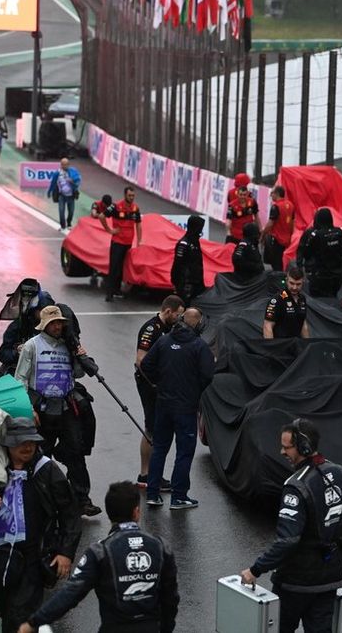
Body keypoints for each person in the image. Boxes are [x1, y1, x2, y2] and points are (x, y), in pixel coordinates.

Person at [0, 416, 81, 633]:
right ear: (7, 444)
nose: (28, 446)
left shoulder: (46, 470)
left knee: (20, 615)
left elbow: (69, 512)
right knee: (8, 612)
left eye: (32, 441)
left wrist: (65, 552)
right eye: (21, 442)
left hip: (33, 556)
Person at [17, 482, 180, 633]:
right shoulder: (160, 547)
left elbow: (70, 594)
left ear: (109, 515)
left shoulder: (100, 552)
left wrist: (33, 622)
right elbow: (171, 598)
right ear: (136, 512)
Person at [239, 419, 342, 633]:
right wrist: (336, 559)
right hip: (330, 578)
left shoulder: (296, 486)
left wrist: (256, 570)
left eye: (286, 447)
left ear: (304, 447)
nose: (281, 452)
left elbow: (287, 540)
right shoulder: (340, 473)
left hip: (296, 582)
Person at [14, 305, 101, 517]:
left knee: (76, 453)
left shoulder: (68, 346)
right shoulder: (31, 346)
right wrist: (28, 409)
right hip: (41, 410)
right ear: (45, 325)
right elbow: (21, 379)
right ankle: (36, 499)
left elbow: (79, 374)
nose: (57, 326)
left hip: (65, 407)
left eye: (60, 323)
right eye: (53, 323)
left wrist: (81, 355)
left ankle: (82, 499)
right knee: (37, 455)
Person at [140, 308, 214, 510]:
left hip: (163, 404)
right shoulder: (199, 346)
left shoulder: (164, 341)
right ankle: (179, 496)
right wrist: (194, 389)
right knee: (184, 452)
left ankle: (153, 493)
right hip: (185, 407)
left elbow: (145, 365)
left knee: (160, 448)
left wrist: (160, 384)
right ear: (197, 325)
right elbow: (208, 375)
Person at [135, 296, 185, 492]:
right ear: (168, 311)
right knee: (152, 428)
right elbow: (141, 359)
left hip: (161, 385)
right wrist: (158, 379)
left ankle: (151, 474)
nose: (179, 319)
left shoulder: (169, 328)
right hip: (150, 385)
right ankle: (146, 475)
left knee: (157, 428)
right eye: (178, 315)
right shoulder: (151, 329)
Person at [100, 186, 143, 302]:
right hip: (117, 242)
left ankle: (117, 290)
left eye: (133, 196)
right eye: (129, 195)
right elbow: (102, 216)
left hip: (128, 243)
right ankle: (109, 293)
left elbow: (138, 224)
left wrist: (139, 240)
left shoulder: (135, 208)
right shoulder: (116, 207)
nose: (131, 198)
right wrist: (109, 230)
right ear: (125, 195)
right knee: (114, 267)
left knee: (122, 267)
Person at [297, 207, 342, 298]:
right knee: (332, 298)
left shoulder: (314, 234)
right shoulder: (340, 232)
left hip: (319, 275)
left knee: (318, 301)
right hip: (336, 274)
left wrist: (301, 266)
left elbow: (305, 252)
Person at [263, 267, 310, 339]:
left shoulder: (302, 299)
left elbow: (303, 323)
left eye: (298, 284)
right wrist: (272, 348)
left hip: (296, 344)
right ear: (286, 280)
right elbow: (267, 326)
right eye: (292, 283)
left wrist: (307, 345)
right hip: (281, 345)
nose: (294, 287)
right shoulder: (278, 299)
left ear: (303, 282)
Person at [171, 215, 206, 306]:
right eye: (200, 228)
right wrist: (174, 281)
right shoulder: (183, 244)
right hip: (185, 282)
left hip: (197, 282)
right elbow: (177, 264)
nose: (201, 231)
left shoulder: (195, 242)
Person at [262, 184, 296, 271]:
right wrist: (291, 235)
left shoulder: (275, 206)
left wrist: (263, 235)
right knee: (282, 262)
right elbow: (292, 223)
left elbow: (270, 224)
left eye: (272, 193)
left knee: (276, 264)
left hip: (277, 239)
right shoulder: (291, 205)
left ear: (276, 194)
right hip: (287, 239)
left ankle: (278, 281)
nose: (271, 195)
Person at [47, 158, 82, 232]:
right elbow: (53, 183)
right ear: (61, 164)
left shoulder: (73, 172)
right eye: (62, 164)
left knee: (71, 212)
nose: (64, 166)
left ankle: (69, 223)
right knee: (61, 211)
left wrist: (72, 181)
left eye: (66, 164)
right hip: (62, 196)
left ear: (68, 165)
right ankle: (63, 226)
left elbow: (77, 184)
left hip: (71, 196)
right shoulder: (57, 173)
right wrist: (49, 191)